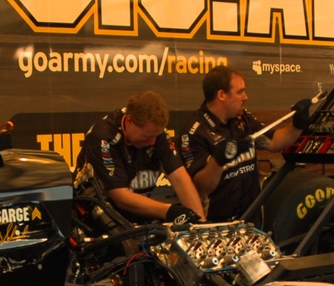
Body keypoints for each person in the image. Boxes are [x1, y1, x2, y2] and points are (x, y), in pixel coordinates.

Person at [180, 65, 312, 223]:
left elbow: (275, 142)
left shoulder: (243, 119)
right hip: (216, 226)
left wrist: (297, 125)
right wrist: (218, 161)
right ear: (221, 95)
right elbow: (201, 189)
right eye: (240, 91)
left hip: (251, 219)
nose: (245, 97)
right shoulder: (194, 131)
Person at [74, 90, 205, 225]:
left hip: (137, 219)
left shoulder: (156, 133)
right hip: (98, 222)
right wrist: (169, 211)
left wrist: (200, 223)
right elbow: (120, 196)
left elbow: (180, 178)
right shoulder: (103, 137)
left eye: (156, 136)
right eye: (147, 137)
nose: (153, 142)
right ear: (129, 121)